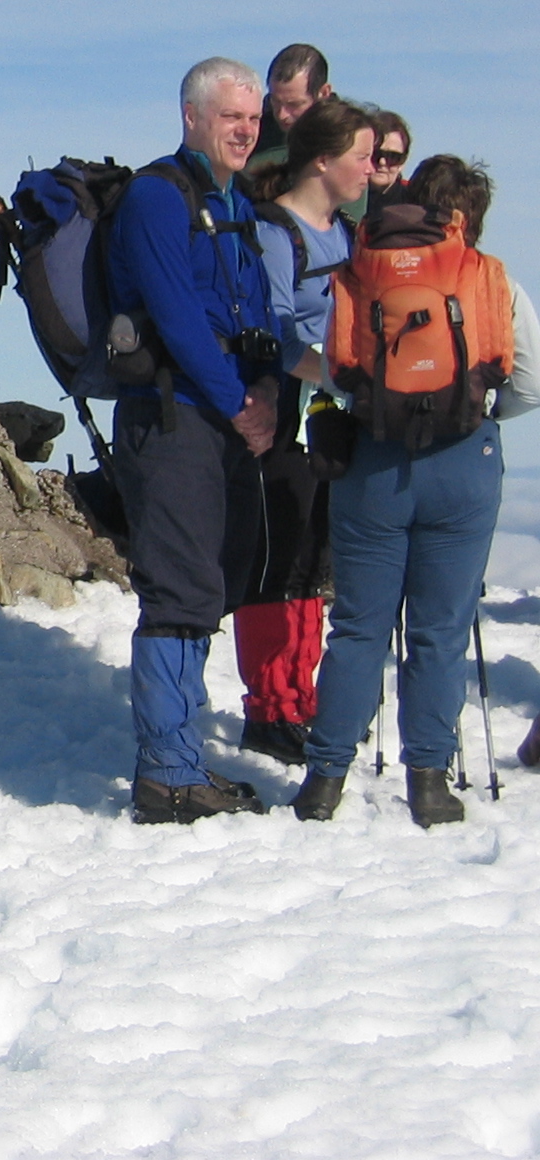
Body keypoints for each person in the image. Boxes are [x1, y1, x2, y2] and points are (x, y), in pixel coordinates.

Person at [295, 157, 536, 826]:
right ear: (468, 220)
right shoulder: (491, 279)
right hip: (463, 465)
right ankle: (429, 783)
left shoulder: (361, 271)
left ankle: (324, 779)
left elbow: (339, 373)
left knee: (359, 627)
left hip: (373, 464)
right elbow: (533, 382)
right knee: (439, 630)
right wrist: (474, 414)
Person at [108, 57, 286, 824]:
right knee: (179, 592)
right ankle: (167, 775)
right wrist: (242, 405)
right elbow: (178, 317)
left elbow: (262, 308)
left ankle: (181, 761)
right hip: (173, 418)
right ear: (191, 117)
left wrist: (270, 390)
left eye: (252, 119)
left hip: (219, 417)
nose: (245, 130)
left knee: (205, 589)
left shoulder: (233, 200)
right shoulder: (155, 198)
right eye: (230, 118)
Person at [234, 98, 376, 765]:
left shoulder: (345, 232)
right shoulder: (273, 232)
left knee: (312, 561)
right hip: (282, 418)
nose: (372, 171)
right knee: (279, 561)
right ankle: (271, 708)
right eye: (362, 158)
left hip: (328, 421)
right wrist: (344, 378)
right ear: (323, 160)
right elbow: (281, 336)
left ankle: (301, 699)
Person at [248, 44, 333, 166]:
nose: (282, 115)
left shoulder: (352, 135)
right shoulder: (250, 132)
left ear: (324, 93)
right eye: (275, 102)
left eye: (294, 104)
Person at [366, 110, 415, 210]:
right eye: (376, 154)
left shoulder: (415, 205)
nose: (382, 162)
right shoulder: (342, 200)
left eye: (392, 157)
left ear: (403, 162)